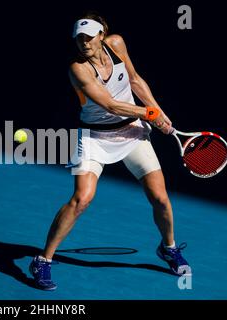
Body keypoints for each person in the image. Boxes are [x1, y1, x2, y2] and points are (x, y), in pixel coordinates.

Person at [29, 12, 191, 291]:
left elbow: (136, 81)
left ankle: (169, 248)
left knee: (161, 199)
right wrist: (149, 112)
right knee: (82, 199)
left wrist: (159, 112)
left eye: (89, 38)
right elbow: (109, 104)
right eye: (78, 39)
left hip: (131, 133)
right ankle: (43, 260)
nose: (84, 44)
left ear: (102, 35)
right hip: (94, 138)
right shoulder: (77, 69)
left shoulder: (117, 44)